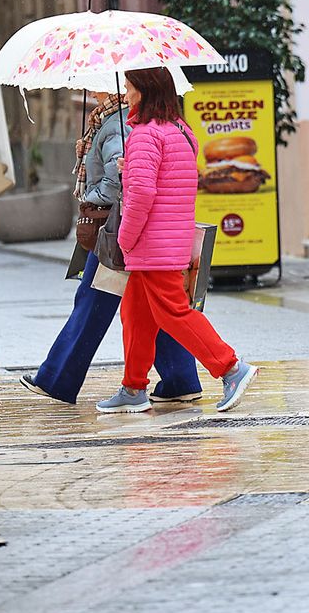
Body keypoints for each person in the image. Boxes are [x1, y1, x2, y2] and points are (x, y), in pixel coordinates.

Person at [19, 90, 202, 405]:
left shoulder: (117, 123)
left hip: (114, 228)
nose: (83, 88)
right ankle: (179, 379)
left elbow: (119, 182)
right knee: (148, 305)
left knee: (92, 303)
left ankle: (58, 379)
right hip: (121, 228)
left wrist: (91, 193)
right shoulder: (108, 119)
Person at [97, 67, 258, 414]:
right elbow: (169, 180)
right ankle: (133, 387)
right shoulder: (181, 131)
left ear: (145, 90)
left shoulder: (143, 135)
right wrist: (132, 168)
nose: (126, 96)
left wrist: (126, 238)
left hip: (152, 245)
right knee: (136, 314)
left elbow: (141, 195)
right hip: (171, 241)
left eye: (129, 89)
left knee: (173, 313)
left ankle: (231, 368)